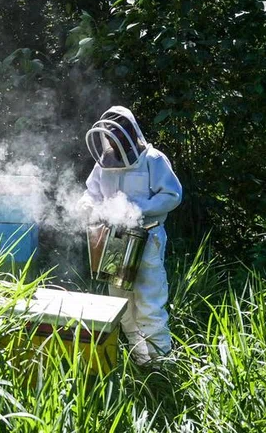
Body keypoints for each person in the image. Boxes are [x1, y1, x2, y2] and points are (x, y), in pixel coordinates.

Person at [81, 105, 183, 365]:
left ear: (129, 133)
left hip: (146, 237)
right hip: (113, 238)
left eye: (118, 133)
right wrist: (88, 207)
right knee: (120, 302)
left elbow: (172, 195)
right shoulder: (103, 162)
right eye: (110, 134)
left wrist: (138, 210)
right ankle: (141, 360)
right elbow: (91, 193)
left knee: (149, 301)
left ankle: (160, 365)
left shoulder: (153, 159)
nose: (113, 141)